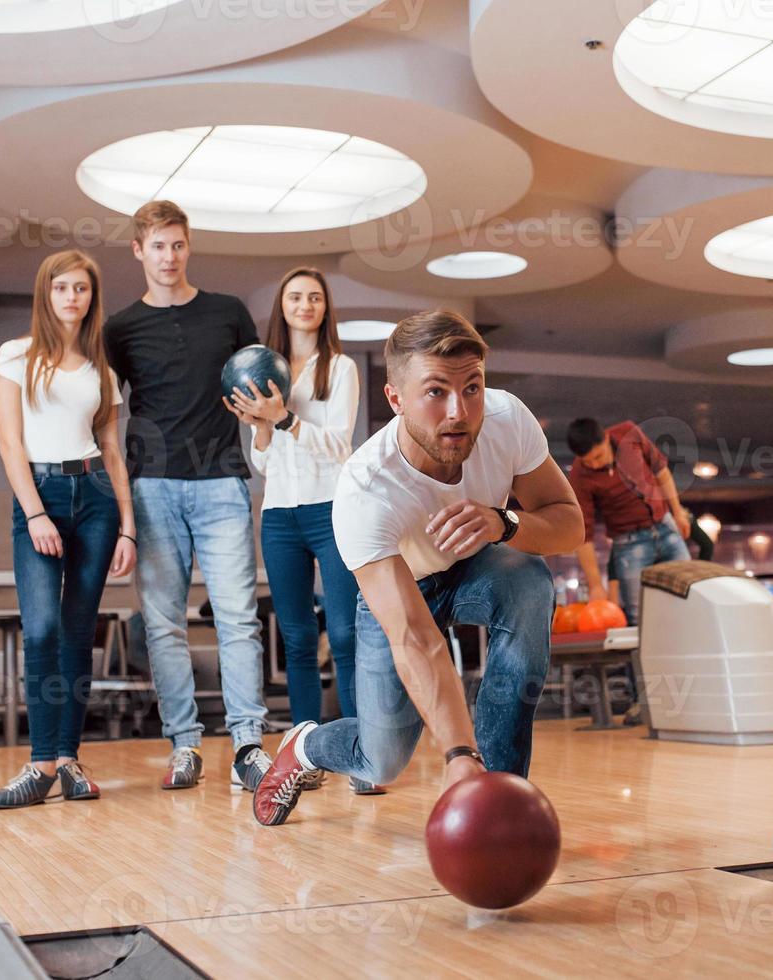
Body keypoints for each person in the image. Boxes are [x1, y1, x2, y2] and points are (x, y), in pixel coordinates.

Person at [251, 310, 585, 827]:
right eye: (436, 392)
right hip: (402, 590)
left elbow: (568, 525)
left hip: (475, 566)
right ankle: (308, 745)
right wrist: (457, 755)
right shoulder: (366, 488)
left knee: (528, 580)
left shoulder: (507, 418)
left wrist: (504, 522)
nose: (460, 411)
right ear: (395, 399)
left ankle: (499, 794)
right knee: (380, 760)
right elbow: (415, 638)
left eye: (472, 388)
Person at [104, 200, 270, 792]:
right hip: (151, 488)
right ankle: (184, 745)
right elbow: (101, 410)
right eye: (157, 247)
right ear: (139, 251)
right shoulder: (120, 329)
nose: (168, 257)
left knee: (237, 620)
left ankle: (248, 743)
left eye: (177, 245)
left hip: (222, 482)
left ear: (188, 246)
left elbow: (259, 387)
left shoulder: (228, 313)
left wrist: (269, 418)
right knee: (164, 625)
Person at [0, 249, 136, 808]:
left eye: (82, 288)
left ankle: (69, 759)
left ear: (92, 297)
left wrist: (128, 526)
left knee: (79, 633)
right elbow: (10, 444)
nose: (72, 297)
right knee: (44, 629)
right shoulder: (15, 355)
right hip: (41, 494)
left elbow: (114, 451)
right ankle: (39, 762)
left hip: (96, 496)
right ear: (45, 294)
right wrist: (34, 513)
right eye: (62, 288)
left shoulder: (102, 368)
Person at [222, 267, 378, 795]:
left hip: (332, 509)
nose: (305, 304)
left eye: (314, 296)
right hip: (280, 515)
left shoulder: (342, 368)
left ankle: (363, 755)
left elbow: (341, 447)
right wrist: (263, 425)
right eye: (295, 296)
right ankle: (304, 755)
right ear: (282, 306)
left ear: (325, 306)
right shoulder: (264, 368)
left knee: (345, 633)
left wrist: (284, 417)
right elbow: (262, 463)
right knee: (296, 638)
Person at [565, 418, 691, 626]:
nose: (595, 464)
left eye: (598, 456)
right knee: (639, 615)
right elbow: (583, 533)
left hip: (665, 525)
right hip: (629, 544)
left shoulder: (628, 434)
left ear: (605, 438)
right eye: (588, 461)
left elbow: (660, 470)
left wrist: (678, 512)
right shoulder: (580, 475)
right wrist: (596, 584)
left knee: (687, 594)